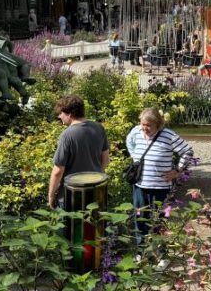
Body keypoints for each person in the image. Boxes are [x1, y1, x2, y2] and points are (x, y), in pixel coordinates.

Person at [125, 107, 194, 245]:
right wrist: (135, 156)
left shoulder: (168, 136)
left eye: (148, 125)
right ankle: (142, 251)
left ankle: (161, 252)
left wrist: (177, 171)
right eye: (142, 124)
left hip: (161, 188)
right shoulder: (136, 131)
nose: (144, 128)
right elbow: (129, 142)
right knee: (140, 218)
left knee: (160, 220)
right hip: (139, 186)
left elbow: (187, 152)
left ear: (158, 124)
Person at [48, 95, 109, 209]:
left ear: (69, 114)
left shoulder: (67, 135)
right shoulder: (98, 128)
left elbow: (58, 171)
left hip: (71, 194)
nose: (59, 116)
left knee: (69, 226)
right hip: (95, 190)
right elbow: (105, 161)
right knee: (92, 225)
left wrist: (51, 196)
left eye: (61, 113)